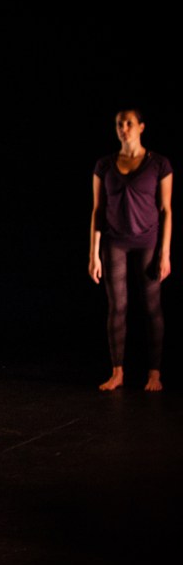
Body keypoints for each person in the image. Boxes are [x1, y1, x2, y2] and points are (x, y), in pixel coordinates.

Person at [89, 107, 173, 391]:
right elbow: (98, 210)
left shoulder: (159, 164)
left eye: (128, 123)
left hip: (148, 240)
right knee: (117, 307)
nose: (123, 129)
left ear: (141, 127)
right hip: (114, 241)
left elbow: (166, 210)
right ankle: (117, 373)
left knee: (151, 307)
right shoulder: (104, 164)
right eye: (119, 124)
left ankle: (154, 374)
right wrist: (93, 254)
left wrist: (165, 252)